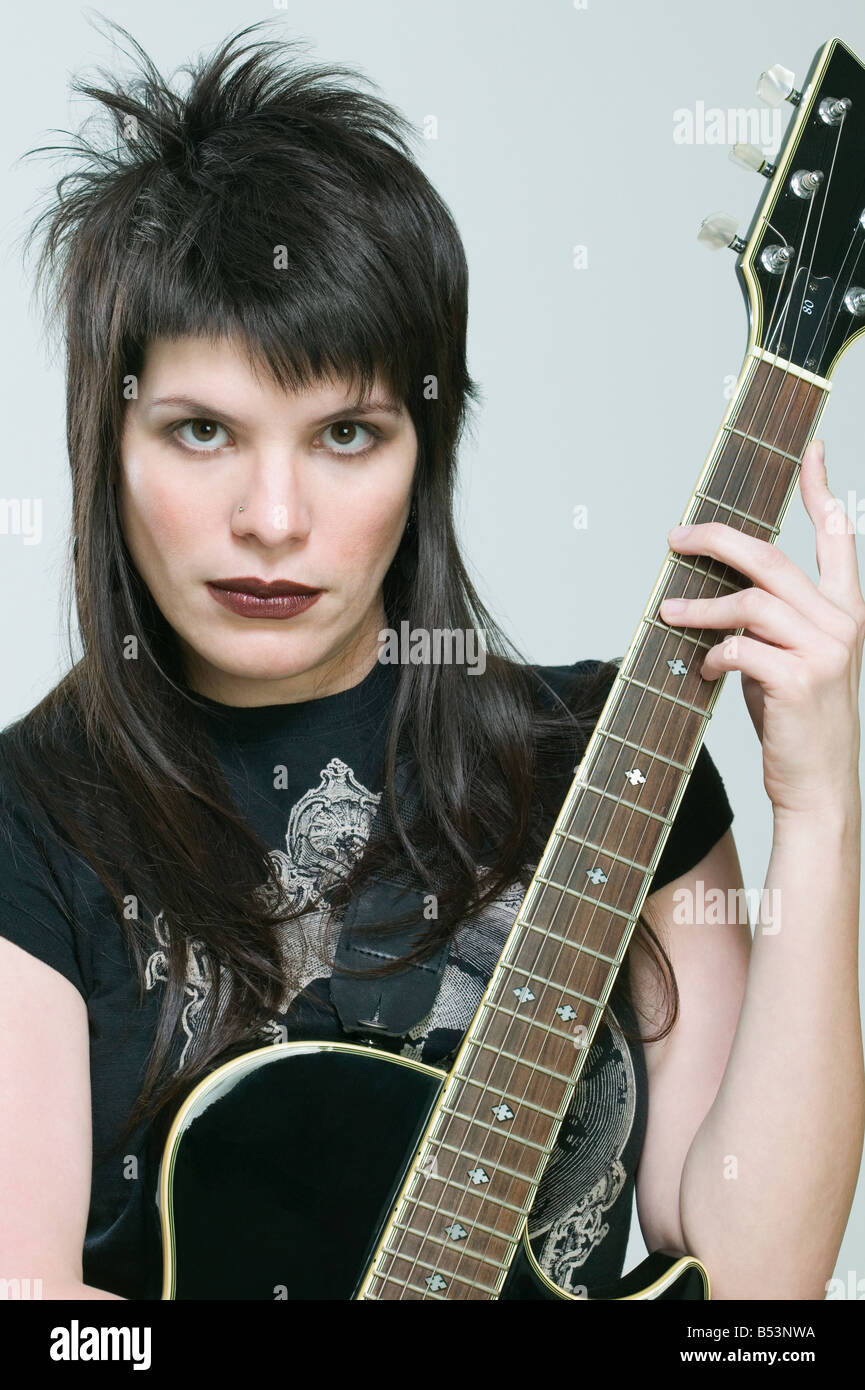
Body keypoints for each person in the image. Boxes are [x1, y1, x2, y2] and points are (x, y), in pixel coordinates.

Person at [0, 18, 862, 1304]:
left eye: (347, 432)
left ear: (427, 448)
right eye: (200, 431)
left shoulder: (613, 764)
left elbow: (760, 1289)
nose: (274, 518)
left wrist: (820, 806)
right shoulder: (34, 818)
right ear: (105, 446)